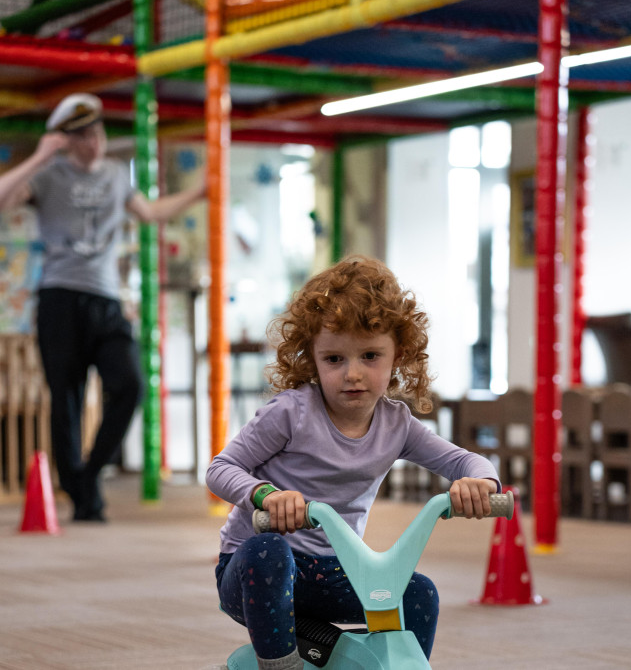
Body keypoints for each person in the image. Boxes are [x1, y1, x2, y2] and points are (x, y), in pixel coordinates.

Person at [206, 256, 500, 670]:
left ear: (398, 355)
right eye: (334, 359)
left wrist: (481, 482)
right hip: (257, 570)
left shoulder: (397, 425)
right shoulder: (291, 413)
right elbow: (220, 468)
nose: (352, 374)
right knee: (269, 551)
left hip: (336, 572)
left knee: (417, 594)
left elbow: (463, 460)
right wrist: (266, 496)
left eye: (370, 356)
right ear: (312, 358)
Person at [0, 93, 206, 522]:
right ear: (65, 140)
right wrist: (40, 156)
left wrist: (199, 193)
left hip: (107, 299)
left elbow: (150, 213)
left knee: (131, 384)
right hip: (59, 298)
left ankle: (89, 473)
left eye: (96, 133)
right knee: (67, 400)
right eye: (81, 137)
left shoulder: (115, 175)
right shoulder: (48, 175)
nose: (93, 143)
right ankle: (83, 499)